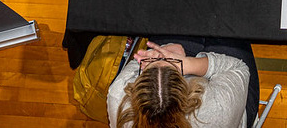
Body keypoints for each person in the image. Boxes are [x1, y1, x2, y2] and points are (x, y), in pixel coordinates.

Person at [107, 36, 260, 128]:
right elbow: (236, 67)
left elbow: (139, 61)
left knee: (172, 15)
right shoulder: (216, 114)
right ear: (187, 89)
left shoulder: (118, 98)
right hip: (228, 104)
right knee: (227, 24)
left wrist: (163, 50)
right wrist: (189, 64)